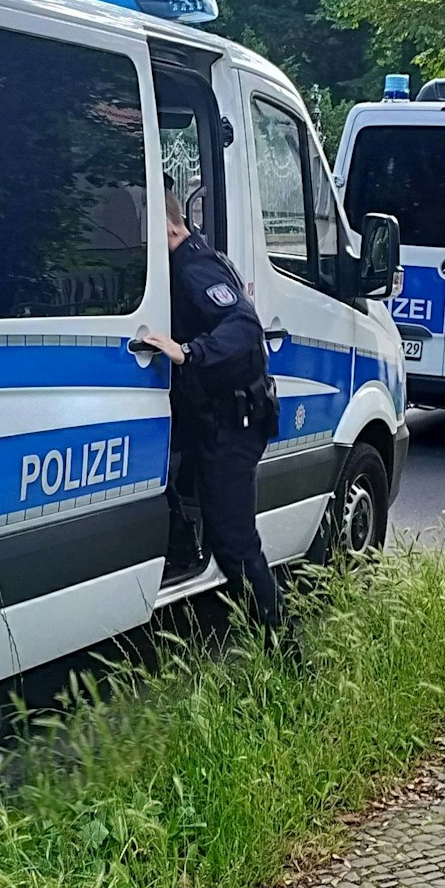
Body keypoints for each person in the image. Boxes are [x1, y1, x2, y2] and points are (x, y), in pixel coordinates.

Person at [142, 192, 283, 628]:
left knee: (235, 545)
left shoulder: (194, 268)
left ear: (167, 227)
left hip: (233, 424)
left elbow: (243, 326)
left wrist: (189, 352)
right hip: (212, 416)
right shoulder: (188, 257)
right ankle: (182, 542)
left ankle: (285, 652)